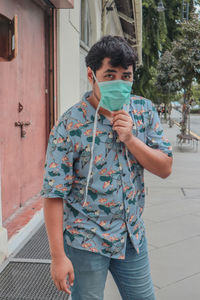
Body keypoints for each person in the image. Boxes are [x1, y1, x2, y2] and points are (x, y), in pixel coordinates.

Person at [41, 36, 173, 300]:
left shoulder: (143, 111)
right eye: (110, 75)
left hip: (132, 236)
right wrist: (58, 257)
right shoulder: (70, 125)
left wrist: (131, 140)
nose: (119, 83)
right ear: (91, 75)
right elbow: (54, 193)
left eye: (126, 76)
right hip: (85, 241)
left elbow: (165, 167)